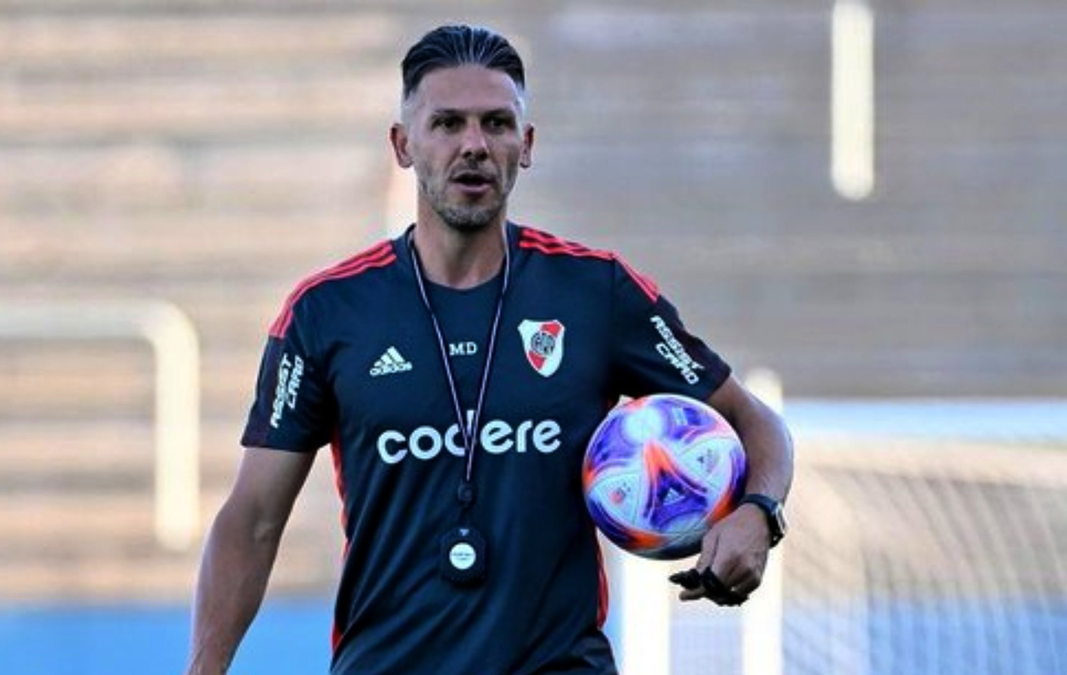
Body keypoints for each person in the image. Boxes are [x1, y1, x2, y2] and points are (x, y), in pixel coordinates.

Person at [186, 24, 793, 675]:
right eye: (447, 123)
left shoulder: (596, 292)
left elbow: (753, 420)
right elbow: (252, 518)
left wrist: (759, 512)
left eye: (496, 124)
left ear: (525, 145)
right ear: (403, 144)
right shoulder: (326, 311)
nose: (473, 144)